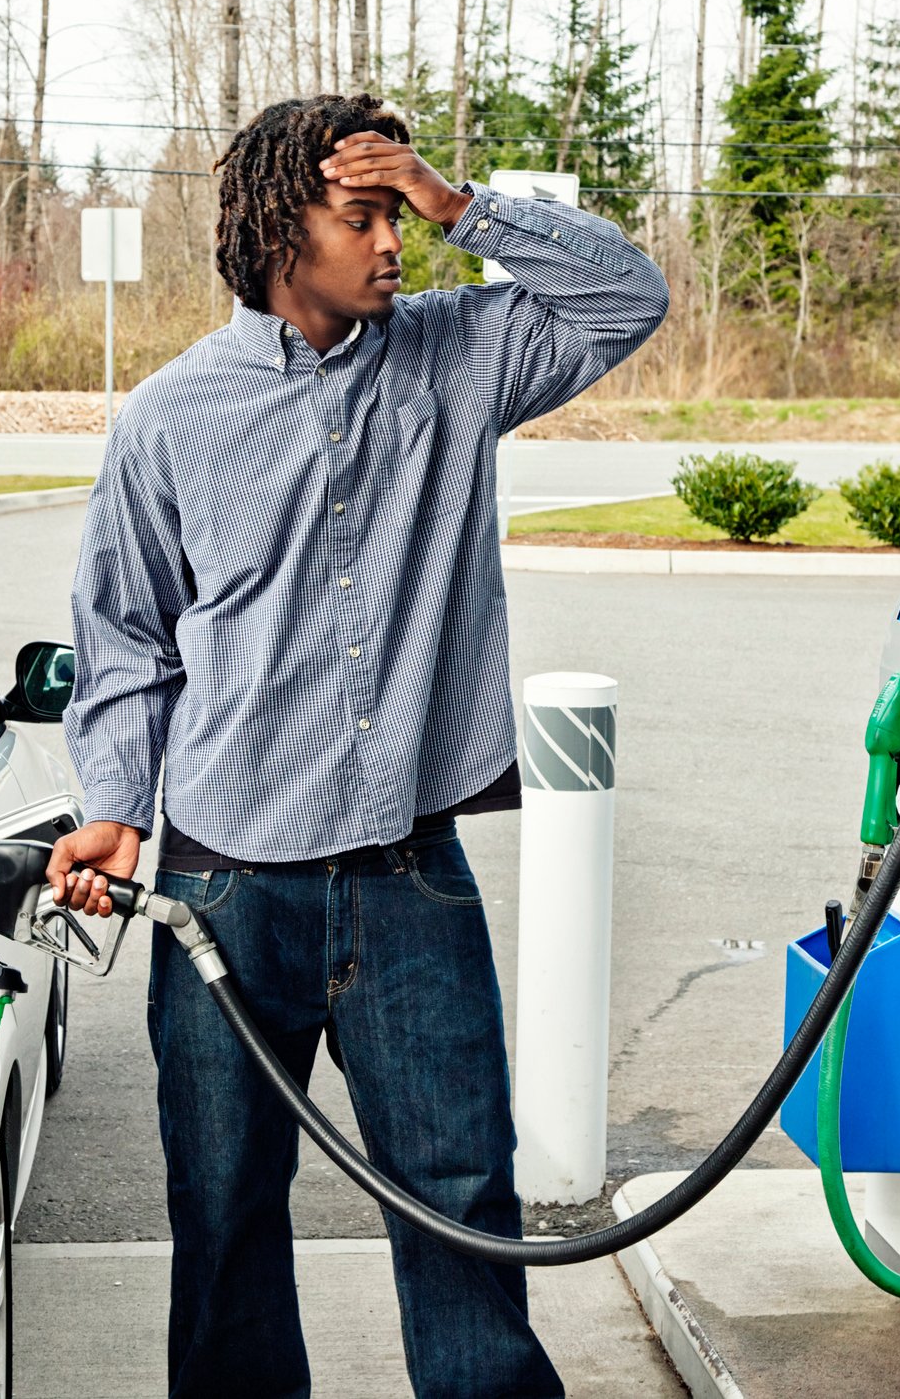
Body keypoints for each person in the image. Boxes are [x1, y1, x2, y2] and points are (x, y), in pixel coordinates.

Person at [44, 92, 668, 1399]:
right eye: (363, 216)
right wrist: (114, 805)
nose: (392, 243)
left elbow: (628, 297)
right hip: (221, 891)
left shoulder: (459, 355)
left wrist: (458, 203)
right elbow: (126, 644)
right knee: (223, 1218)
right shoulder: (166, 418)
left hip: (407, 880)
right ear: (283, 228)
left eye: (397, 216)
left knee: (462, 1206)